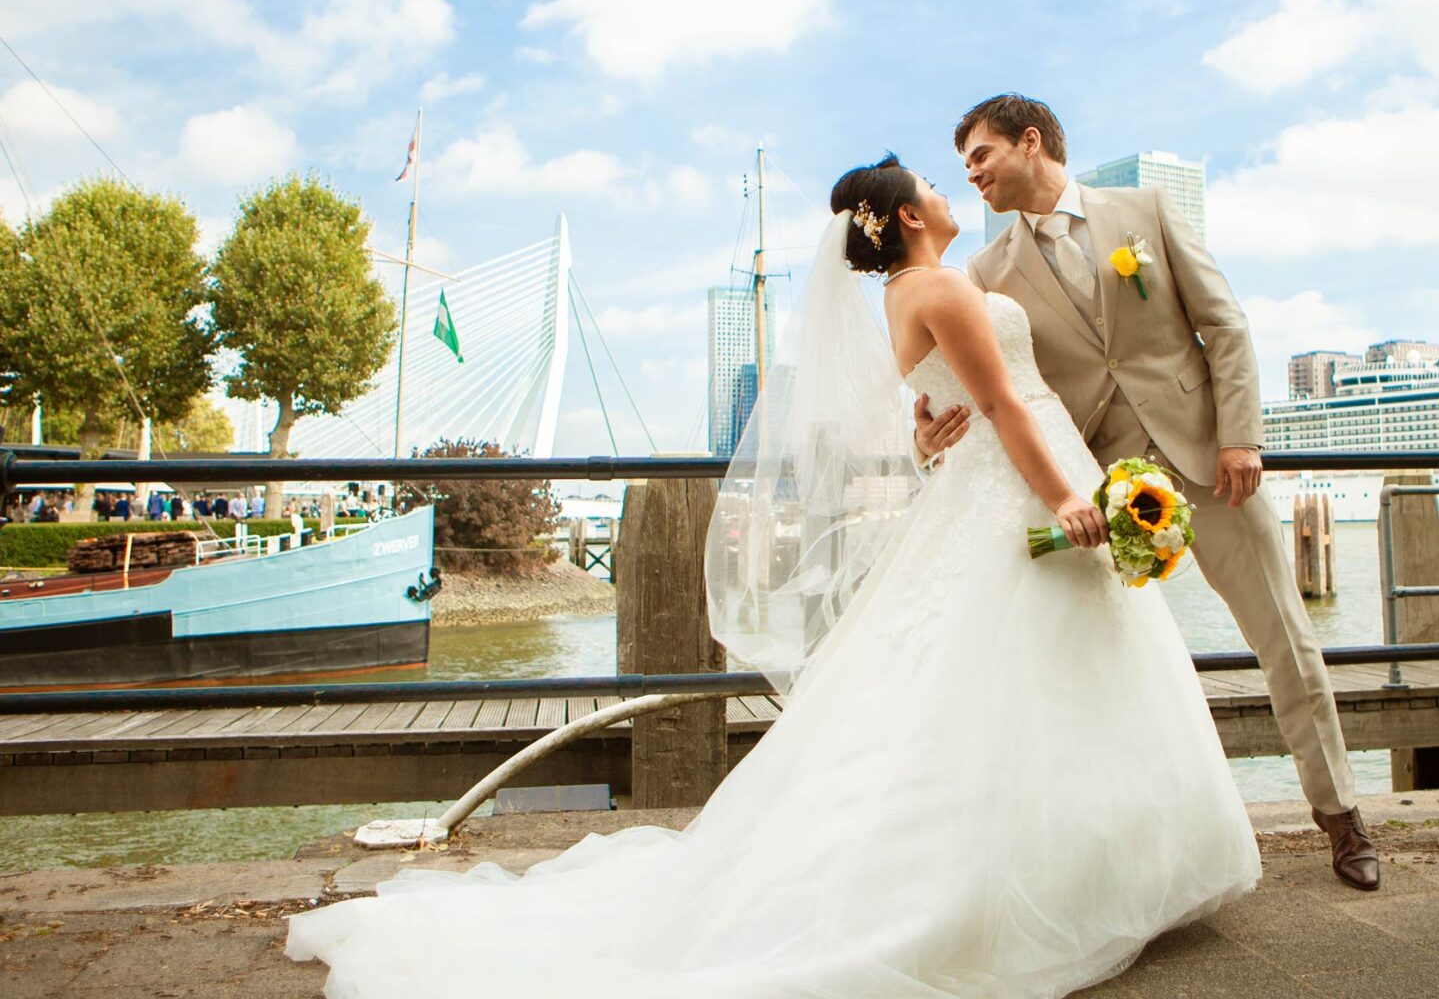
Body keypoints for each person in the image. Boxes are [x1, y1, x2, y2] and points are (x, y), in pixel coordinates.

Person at [286, 154, 1261, 996]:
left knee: (999, 686)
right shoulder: (945, 289)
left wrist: (927, 433)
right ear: (910, 215)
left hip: (985, 490)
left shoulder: (900, 298)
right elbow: (1003, 404)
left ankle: (1074, 871)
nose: (940, 182)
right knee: (1037, 681)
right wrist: (1064, 501)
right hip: (1025, 486)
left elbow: (932, 411)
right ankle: (1065, 881)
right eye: (928, 180)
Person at [916, 94, 1378, 890]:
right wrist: (923, 438)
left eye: (982, 155)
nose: (973, 175)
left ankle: (1341, 819)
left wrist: (1241, 436)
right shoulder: (985, 276)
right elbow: (982, 394)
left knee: (1288, 641)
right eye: (964, 166)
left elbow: (1224, 326)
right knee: (1110, 670)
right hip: (1101, 498)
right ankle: (1127, 851)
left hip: (1211, 468)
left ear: (1032, 142)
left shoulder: (1147, 210)